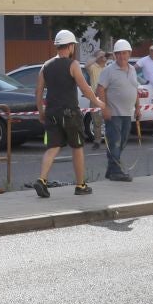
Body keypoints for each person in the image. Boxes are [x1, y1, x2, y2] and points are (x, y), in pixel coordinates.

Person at [32, 29, 96, 199]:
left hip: (51, 112)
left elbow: (38, 92)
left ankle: (42, 180)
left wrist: (41, 111)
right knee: (77, 147)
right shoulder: (72, 65)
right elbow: (84, 88)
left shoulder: (45, 66)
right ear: (70, 46)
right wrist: (98, 102)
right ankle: (80, 185)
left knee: (52, 147)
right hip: (70, 114)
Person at [95, 39, 141, 182]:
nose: (122, 56)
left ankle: (111, 170)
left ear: (129, 53)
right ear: (115, 55)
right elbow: (100, 89)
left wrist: (138, 108)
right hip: (114, 113)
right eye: (119, 54)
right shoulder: (109, 70)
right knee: (115, 142)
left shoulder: (132, 69)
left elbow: (135, 89)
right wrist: (105, 108)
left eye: (124, 53)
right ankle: (116, 171)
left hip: (127, 112)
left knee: (123, 142)